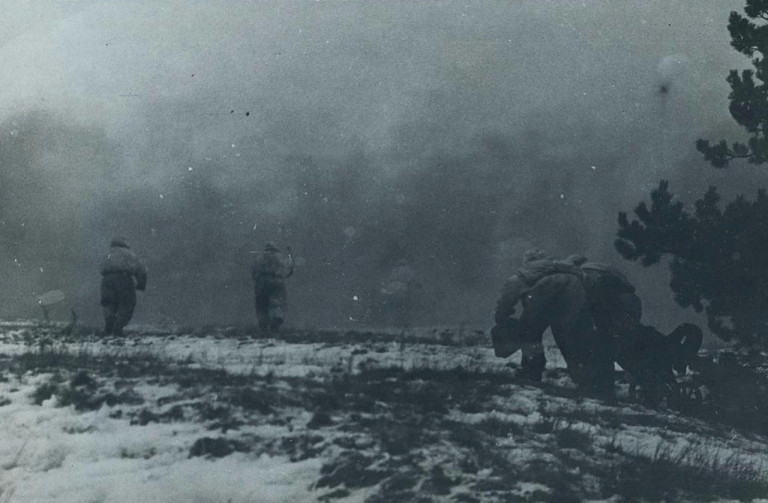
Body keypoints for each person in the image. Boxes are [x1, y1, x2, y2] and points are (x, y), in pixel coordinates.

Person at [492, 249, 607, 393]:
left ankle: (531, 372)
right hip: (573, 290)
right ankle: (585, 379)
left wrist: (501, 317)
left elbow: (506, 300)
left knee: (531, 334)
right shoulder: (559, 266)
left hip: (543, 293)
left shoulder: (521, 275)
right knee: (568, 337)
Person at [100, 236, 147, 337]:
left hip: (106, 280)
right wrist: (141, 284)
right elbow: (141, 270)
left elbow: (101, 267)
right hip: (124, 279)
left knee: (108, 303)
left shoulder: (107, 253)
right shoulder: (129, 254)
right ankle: (118, 327)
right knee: (127, 304)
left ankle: (109, 323)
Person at [251, 242, 294, 333]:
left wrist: (257, 278)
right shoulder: (280, 257)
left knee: (262, 304)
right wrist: (284, 275)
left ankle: (263, 325)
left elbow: (253, 270)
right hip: (277, 281)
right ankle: (275, 321)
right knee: (277, 301)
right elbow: (289, 269)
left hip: (261, 281)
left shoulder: (259, 258)